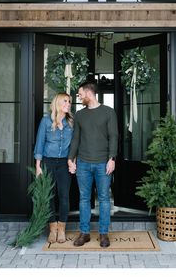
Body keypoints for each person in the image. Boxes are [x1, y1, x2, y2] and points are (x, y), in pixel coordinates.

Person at [68, 81, 118, 248]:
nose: (79, 97)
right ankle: (85, 233)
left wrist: (112, 158)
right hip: (83, 163)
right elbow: (76, 138)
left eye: (80, 94)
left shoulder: (109, 112)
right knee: (84, 199)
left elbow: (114, 137)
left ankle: (103, 234)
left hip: (103, 163)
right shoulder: (80, 115)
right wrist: (71, 158)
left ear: (89, 93)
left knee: (104, 199)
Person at [34, 92, 73, 244]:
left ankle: (62, 229)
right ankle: (52, 229)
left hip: (64, 164)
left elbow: (73, 146)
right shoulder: (45, 121)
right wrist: (38, 166)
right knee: (49, 196)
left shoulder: (71, 123)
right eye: (65, 101)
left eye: (69, 101)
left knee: (64, 196)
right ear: (57, 103)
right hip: (48, 162)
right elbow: (39, 143)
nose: (68, 104)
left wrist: (72, 161)